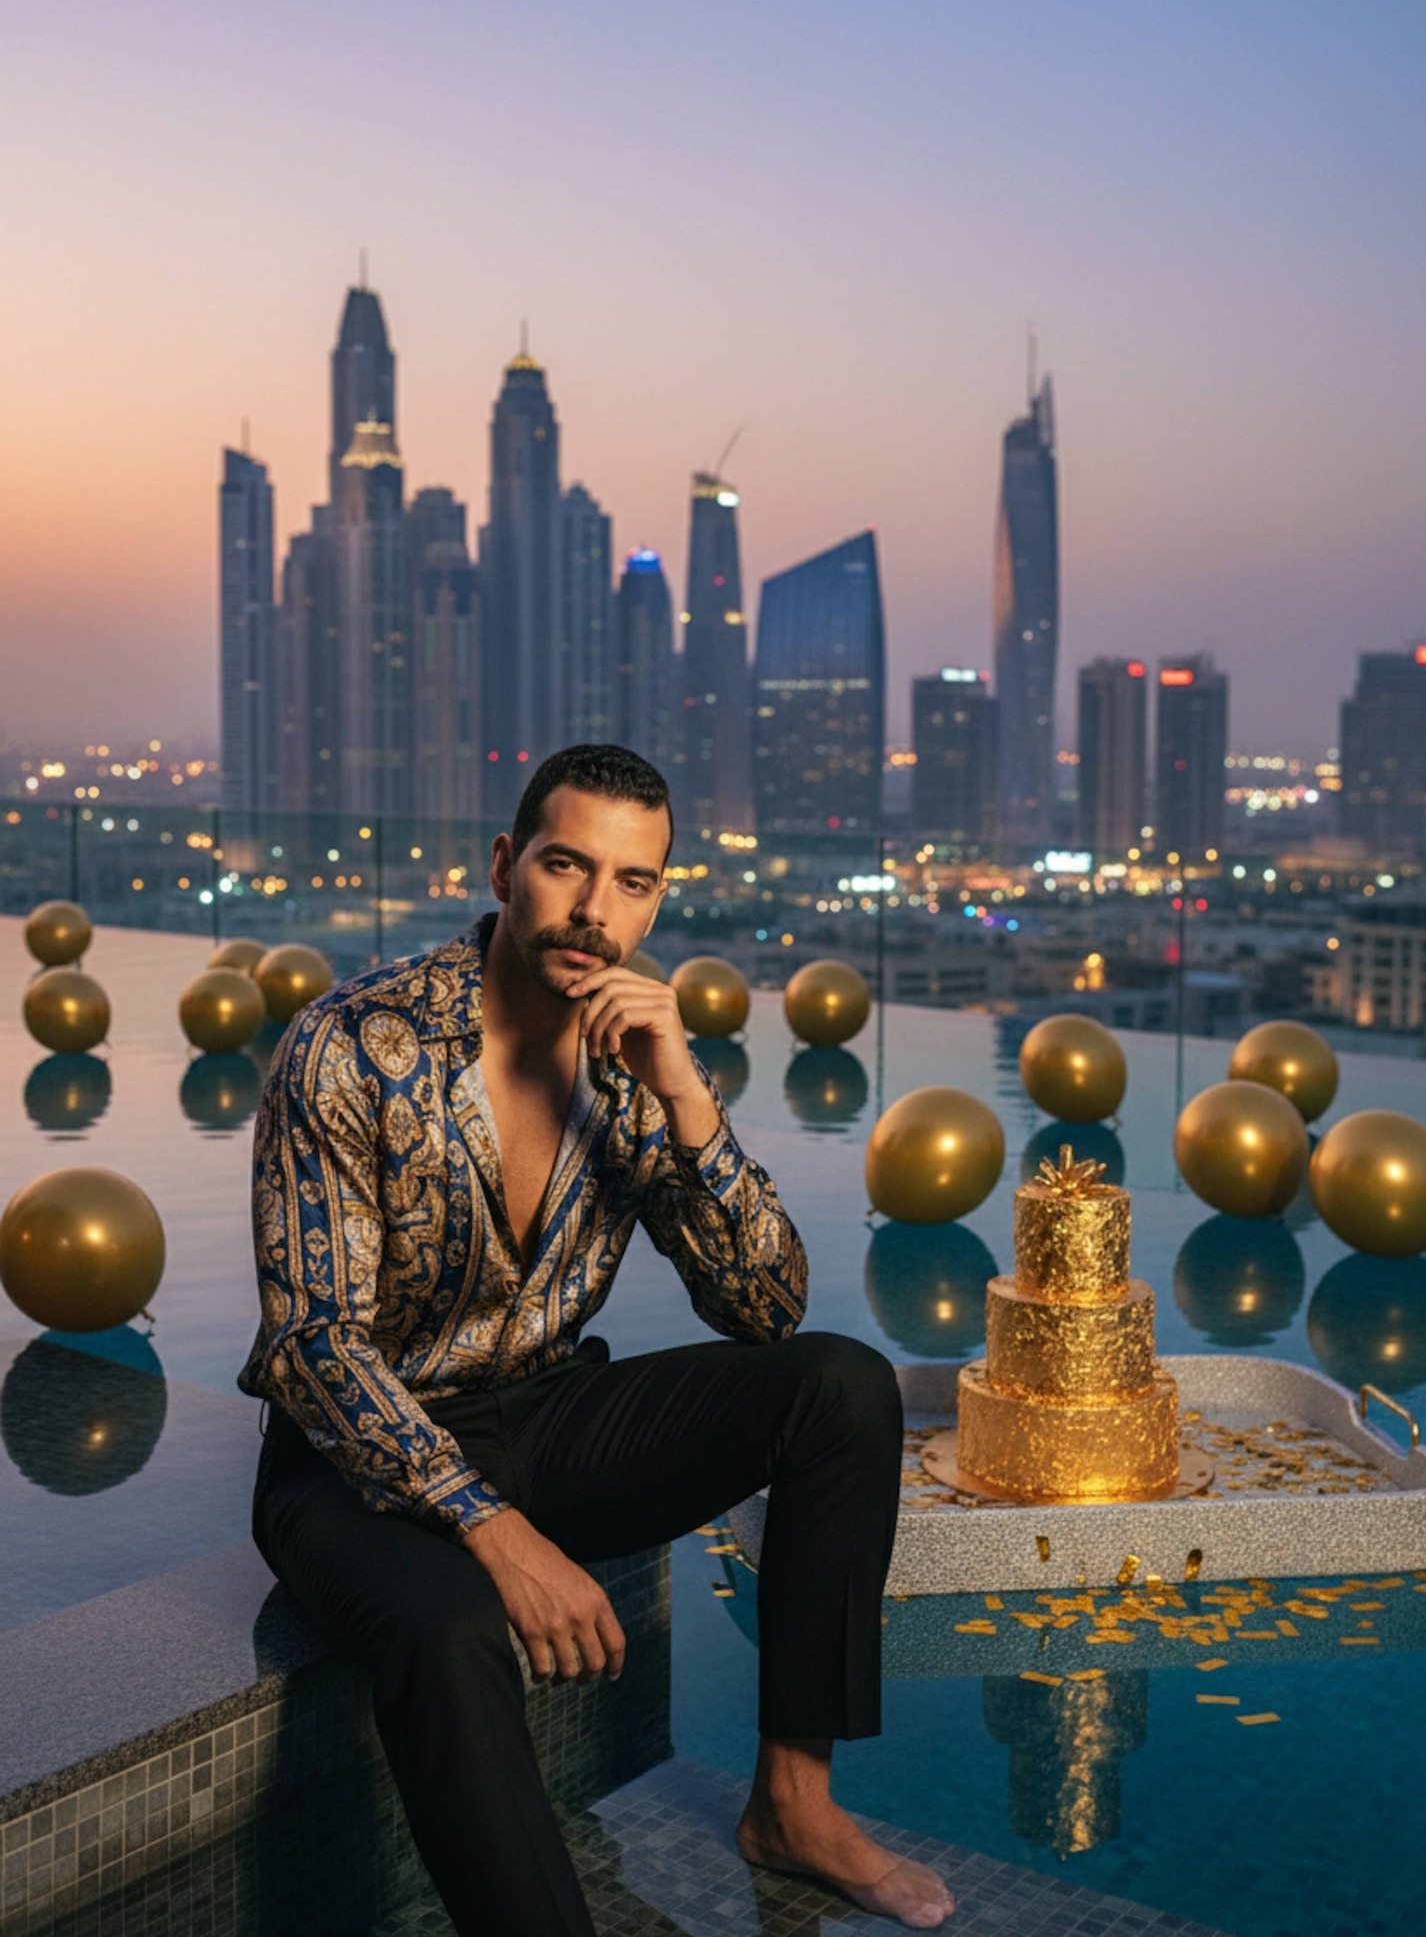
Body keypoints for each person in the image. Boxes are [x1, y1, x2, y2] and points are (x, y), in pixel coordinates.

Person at [240, 745, 956, 1934]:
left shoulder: (636, 1059)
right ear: (504, 866)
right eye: (566, 865)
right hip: (351, 1466)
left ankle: (794, 1803)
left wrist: (687, 1099)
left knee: (840, 1384)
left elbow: (764, 1308)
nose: (593, 909)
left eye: (632, 880)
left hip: (547, 1410)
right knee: (453, 1626)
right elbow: (313, 1344)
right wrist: (492, 1528)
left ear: (656, 900)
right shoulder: (350, 1043)